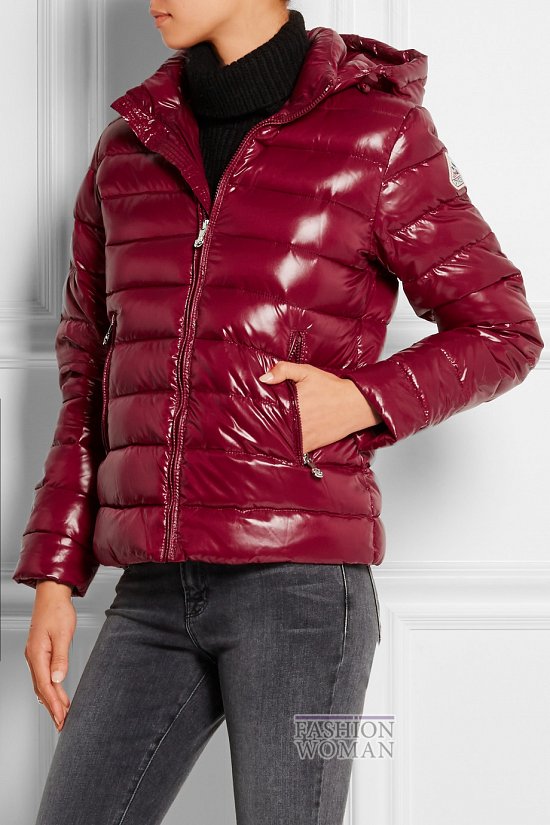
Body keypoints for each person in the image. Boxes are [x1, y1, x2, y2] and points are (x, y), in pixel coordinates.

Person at [13, 1, 543, 823]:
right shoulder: (126, 150)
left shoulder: (380, 133)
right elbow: (87, 371)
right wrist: (55, 572)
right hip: (153, 591)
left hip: (304, 597)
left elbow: (503, 329)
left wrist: (364, 399)